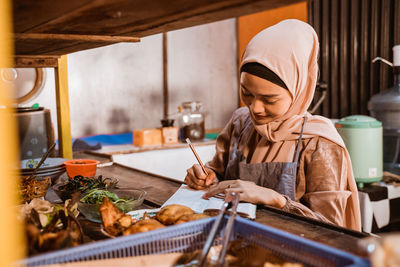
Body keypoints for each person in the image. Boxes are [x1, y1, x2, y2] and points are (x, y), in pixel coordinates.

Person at [184, 19, 361, 231]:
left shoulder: (318, 144)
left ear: (299, 90)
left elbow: (332, 230)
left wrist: (277, 200)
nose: (255, 108)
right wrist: (205, 176)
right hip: (232, 243)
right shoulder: (240, 123)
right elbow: (219, 174)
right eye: (247, 93)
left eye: (269, 100)